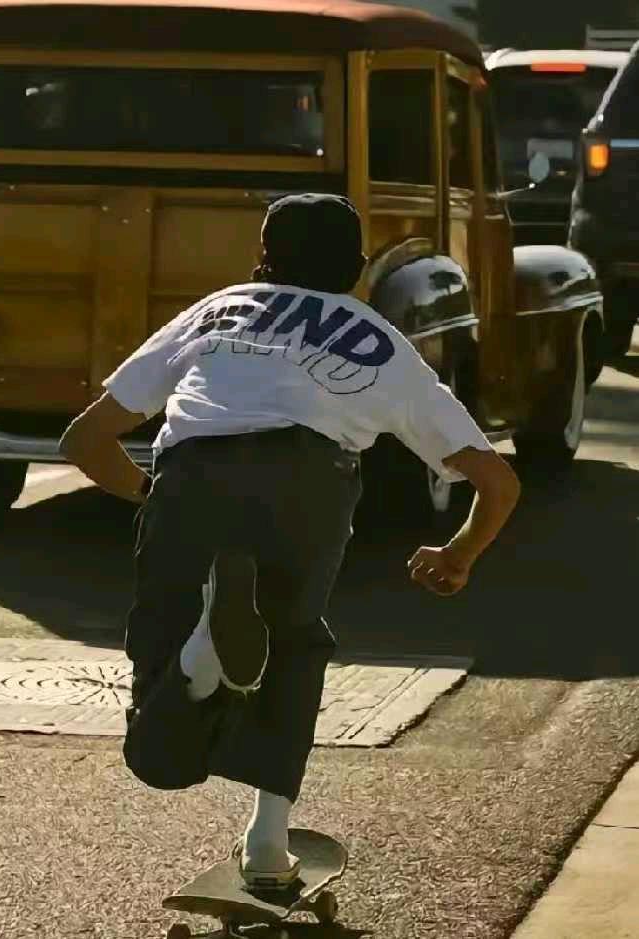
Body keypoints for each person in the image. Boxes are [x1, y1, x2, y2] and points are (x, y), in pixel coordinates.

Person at [59, 193, 521, 889]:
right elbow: (498, 482)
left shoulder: (221, 308)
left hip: (192, 474)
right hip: (309, 484)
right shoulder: (378, 339)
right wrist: (457, 554)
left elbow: (85, 439)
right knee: (295, 643)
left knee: (159, 750)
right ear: (358, 268)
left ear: (261, 258)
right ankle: (267, 846)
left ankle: (194, 662)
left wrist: (152, 498)